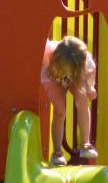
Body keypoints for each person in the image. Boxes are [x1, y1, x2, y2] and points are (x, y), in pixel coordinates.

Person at [40, 35, 98, 167]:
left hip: (74, 77)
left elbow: (90, 72)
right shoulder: (48, 51)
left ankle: (85, 144)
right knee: (59, 111)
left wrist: (90, 87)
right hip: (52, 76)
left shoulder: (85, 63)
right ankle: (57, 153)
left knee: (82, 101)